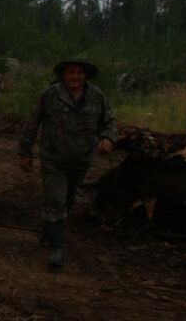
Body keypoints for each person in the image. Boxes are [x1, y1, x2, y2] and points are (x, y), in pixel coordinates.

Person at [18, 57, 118, 268]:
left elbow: (109, 121)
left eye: (80, 73)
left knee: (68, 199)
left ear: (86, 76)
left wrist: (108, 139)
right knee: (56, 200)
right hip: (53, 158)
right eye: (71, 72)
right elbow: (33, 123)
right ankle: (57, 248)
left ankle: (48, 230)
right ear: (63, 75)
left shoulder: (96, 96)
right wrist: (25, 152)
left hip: (81, 159)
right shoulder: (51, 95)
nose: (75, 77)